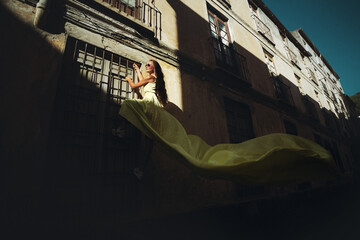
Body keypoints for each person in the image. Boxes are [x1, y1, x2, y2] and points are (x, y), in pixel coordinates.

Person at [118, 60, 342, 185]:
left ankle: (121, 132)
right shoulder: (149, 78)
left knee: (131, 109)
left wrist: (130, 78)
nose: (146, 66)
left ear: (153, 70)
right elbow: (143, 86)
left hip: (149, 105)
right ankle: (140, 169)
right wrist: (137, 71)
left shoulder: (152, 77)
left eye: (148, 65)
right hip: (151, 104)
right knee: (150, 138)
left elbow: (136, 88)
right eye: (145, 66)